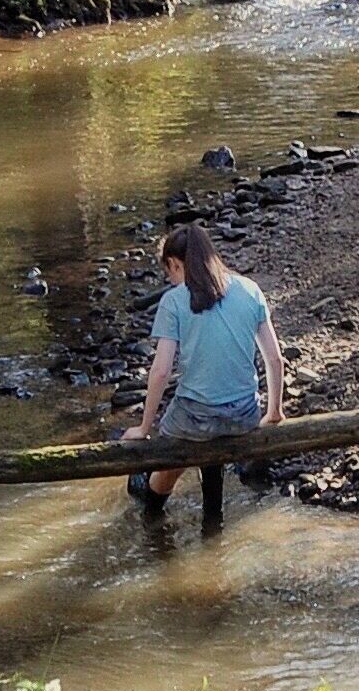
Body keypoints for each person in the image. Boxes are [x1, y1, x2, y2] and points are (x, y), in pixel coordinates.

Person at [122, 223, 285, 523]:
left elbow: (160, 372)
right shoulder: (250, 289)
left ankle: (152, 509)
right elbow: (274, 359)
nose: (170, 279)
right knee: (208, 428)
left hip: (196, 418)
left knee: (173, 454)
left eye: (169, 271)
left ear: (175, 263)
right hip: (243, 415)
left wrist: (144, 428)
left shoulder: (173, 301)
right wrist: (273, 411)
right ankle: (213, 522)